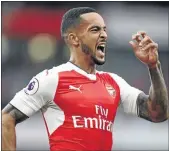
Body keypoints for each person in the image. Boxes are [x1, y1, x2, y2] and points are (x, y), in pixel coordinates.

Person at [2, 7, 168, 151]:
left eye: (104, 30)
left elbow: (158, 113)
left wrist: (154, 67)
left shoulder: (114, 82)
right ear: (74, 38)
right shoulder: (52, 78)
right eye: (95, 30)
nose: (104, 35)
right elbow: (6, 118)